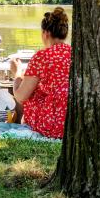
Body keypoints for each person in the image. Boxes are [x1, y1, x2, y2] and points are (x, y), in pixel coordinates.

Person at [10, 7, 71, 139]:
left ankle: (18, 122)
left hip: (52, 125)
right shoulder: (74, 53)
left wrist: (17, 73)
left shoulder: (41, 56)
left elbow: (21, 96)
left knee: (28, 93)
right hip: (72, 122)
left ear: (46, 33)